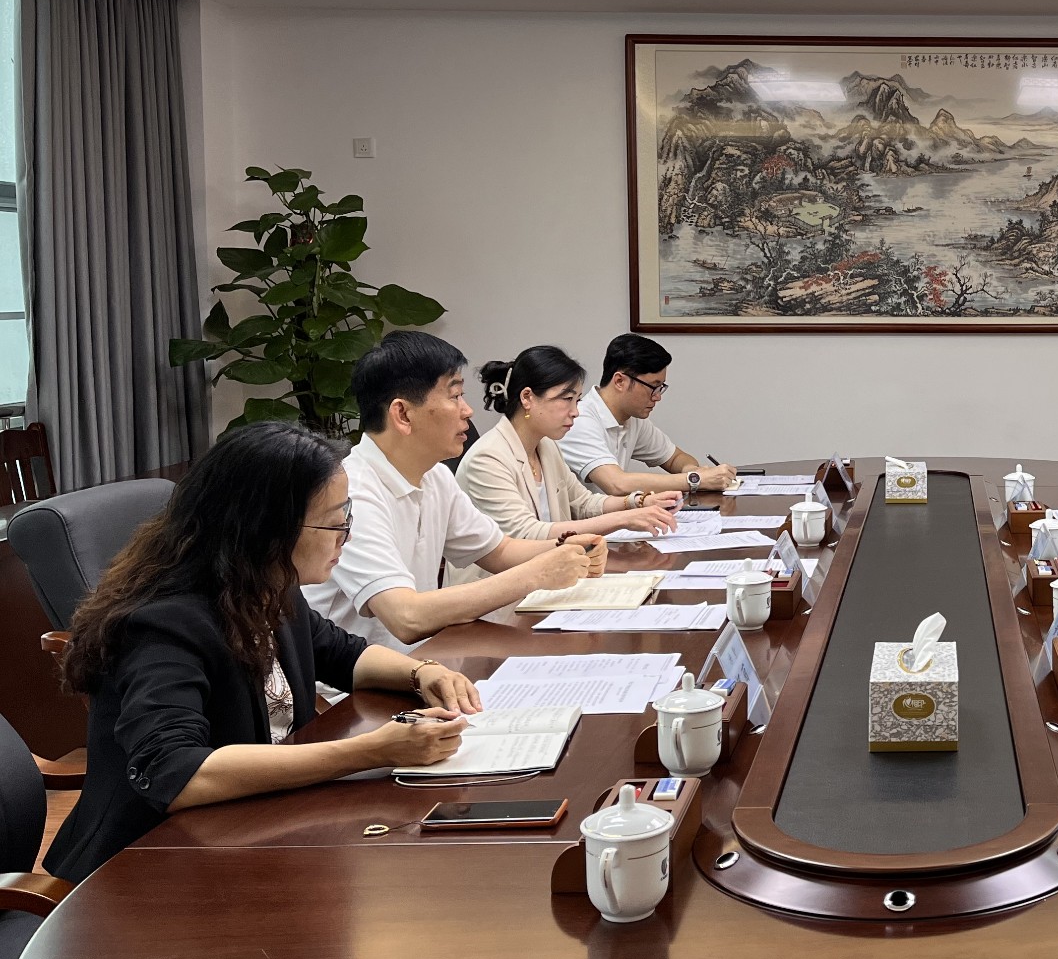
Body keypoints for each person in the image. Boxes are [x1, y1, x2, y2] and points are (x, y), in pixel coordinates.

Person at [45, 423, 483, 882]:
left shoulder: (267, 585)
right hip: (148, 867)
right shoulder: (163, 623)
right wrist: (370, 751)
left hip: (249, 831)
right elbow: (174, 771)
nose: (346, 536)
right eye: (334, 522)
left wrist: (422, 673)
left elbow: (343, 654)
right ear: (268, 528)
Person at [304, 331, 603, 651]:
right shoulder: (354, 493)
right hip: (360, 678)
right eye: (455, 395)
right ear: (403, 414)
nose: (468, 411)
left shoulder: (434, 476)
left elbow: (498, 551)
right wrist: (538, 573)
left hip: (424, 662)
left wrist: (568, 550)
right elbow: (406, 616)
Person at [458, 345, 683, 543]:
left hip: (551, 569)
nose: (575, 412)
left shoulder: (546, 446)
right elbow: (527, 533)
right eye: (567, 399)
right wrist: (624, 519)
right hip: (505, 578)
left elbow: (583, 504)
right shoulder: (488, 458)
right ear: (527, 398)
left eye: (577, 400)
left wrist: (640, 502)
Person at [561, 334, 738, 499]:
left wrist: (692, 470)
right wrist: (694, 480)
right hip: (580, 522)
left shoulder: (632, 419)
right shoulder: (579, 419)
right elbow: (616, 484)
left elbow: (675, 458)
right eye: (653, 387)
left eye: (661, 388)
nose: (658, 397)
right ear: (620, 381)